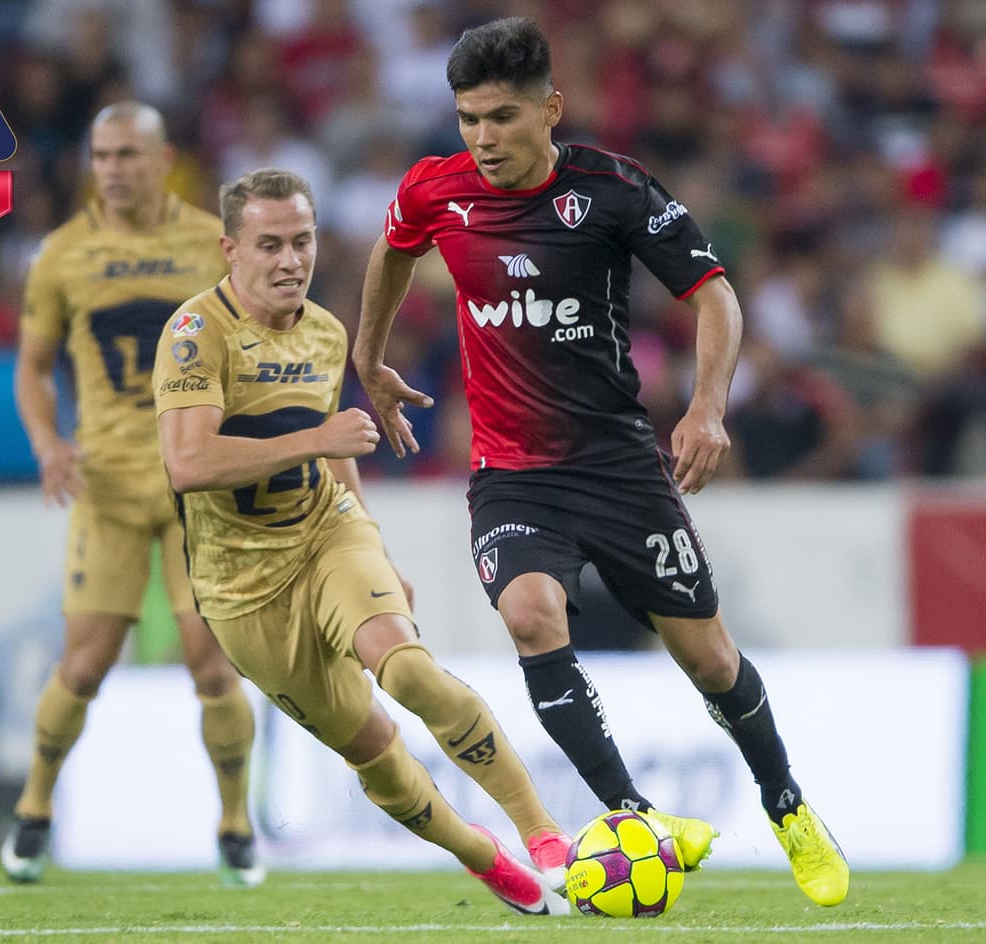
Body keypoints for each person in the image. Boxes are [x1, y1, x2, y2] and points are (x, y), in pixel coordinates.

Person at [352, 17, 849, 908]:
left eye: (502, 117)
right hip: (512, 475)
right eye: (468, 119)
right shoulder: (436, 189)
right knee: (530, 613)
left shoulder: (611, 191)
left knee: (710, 660)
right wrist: (369, 355)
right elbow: (393, 250)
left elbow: (716, 297)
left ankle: (788, 807)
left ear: (550, 108)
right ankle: (637, 817)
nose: (482, 138)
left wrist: (707, 407)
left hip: (619, 468)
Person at [152, 167, 571, 915]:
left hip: (326, 535)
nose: (291, 260)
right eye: (270, 245)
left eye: (303, 241)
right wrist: (319, 438)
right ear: (230, 250)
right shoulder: (195, 334)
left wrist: (374, 544)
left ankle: (543, 834)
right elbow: (187, 465)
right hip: (240, 588)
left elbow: (337, 452)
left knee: (405, 667)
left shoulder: (325, 330)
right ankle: (482, 855)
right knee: (371, 746)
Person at [2, 101, 262, 887]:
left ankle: (236, 823)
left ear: (163, 159)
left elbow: (254, 349)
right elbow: (32, 367)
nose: (111, 169)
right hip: (107, 486)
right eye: (101, 155)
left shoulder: (211, 245)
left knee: (210, 663)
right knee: (83, 665)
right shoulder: (62, 254)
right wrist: (48, 444)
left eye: (125, 154)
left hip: (197, 488)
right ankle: (34, 811)